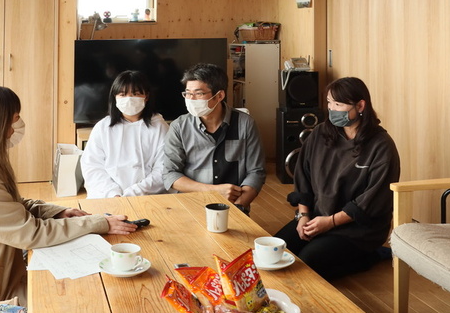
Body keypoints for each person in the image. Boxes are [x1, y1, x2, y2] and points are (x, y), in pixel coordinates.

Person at [0, 85, 138, 304]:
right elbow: (31, 233)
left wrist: (57, 212)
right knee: (65, 299)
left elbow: (9, 206)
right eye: (14, 119)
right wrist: (98, 223)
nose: (16, 127)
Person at [275, 76, 400, 282]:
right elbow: (303, 175)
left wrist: (330, 222)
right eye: (329, 103)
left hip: (357, 228)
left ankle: (372, 255)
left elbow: (374, 198)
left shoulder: (381, 145)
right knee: (275, 252)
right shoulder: (321, 133)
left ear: (360, 106)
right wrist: (303, 216)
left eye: (338, 104)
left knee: (308, 264)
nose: (332, 109)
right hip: (318, 216)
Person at [162, 63, 265, 212]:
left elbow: (256, 171)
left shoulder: (245, 123)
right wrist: (213, 191)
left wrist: (239, 206)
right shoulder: (179, 126)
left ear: (219, 96)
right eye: (188, 93)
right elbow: (170, 174)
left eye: (199, 93)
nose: (191, 99)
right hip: (190, 205)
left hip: (234, 206)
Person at [81, 70, 169, 198]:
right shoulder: (103, 127)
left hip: (147, 195)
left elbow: (163, 168)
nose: (129, 99)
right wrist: (112, 193)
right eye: (122, 94)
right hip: (106, 196)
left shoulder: (160, 127)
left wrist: (136, 191)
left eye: (135, 94)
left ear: (146, 96)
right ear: (115, 97)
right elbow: (91, 165)